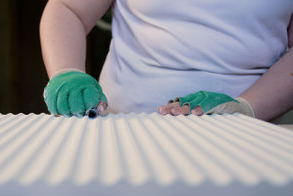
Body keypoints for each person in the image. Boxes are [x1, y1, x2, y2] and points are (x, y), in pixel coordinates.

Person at [40, 0, 293, 121]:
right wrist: (67, 72)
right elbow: (68, 8)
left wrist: (247, 107)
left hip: (247, 136)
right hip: (124, 127)